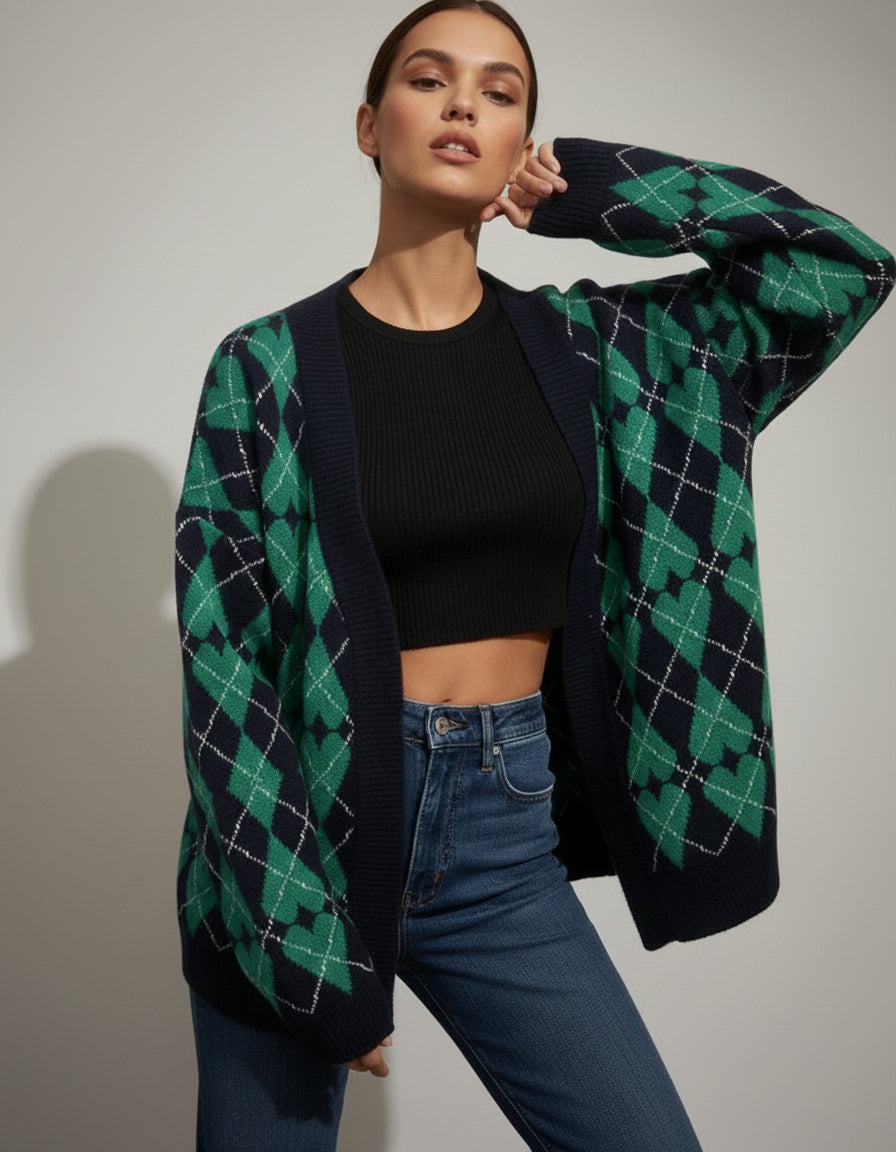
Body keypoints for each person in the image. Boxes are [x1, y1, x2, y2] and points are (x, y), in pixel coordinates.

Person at [174, 2, 894, 1149]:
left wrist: (603, 193)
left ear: (520, 144)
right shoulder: (264, 368)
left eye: (499, 91)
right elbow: (227, 669)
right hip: (299, 843)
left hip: (500, 844)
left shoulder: (605, 356)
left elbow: (834, 266)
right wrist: (304, 954)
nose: (462, 102)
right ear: (368, 124)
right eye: (427, 78)